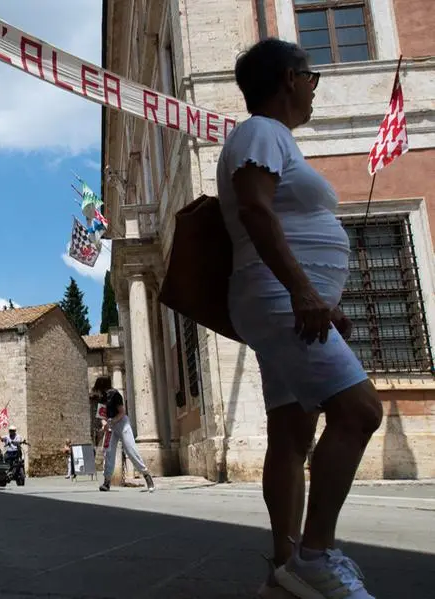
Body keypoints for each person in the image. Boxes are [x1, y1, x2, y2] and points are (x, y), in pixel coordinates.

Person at [219, 39, 383, 599]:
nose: (315, 89)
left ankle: (284, 569)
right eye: (313, 77)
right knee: (359, 412)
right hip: (279, 301)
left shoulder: (274, 139)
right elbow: (256, 211)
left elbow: (281, 216)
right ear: (291, 78)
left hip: (287, 303)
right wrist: (305, 294)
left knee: (291, 434)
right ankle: (315, 555)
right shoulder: (261, 131)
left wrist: (321, 300)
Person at [92, 376, 154, 492]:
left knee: (130, 449)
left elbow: (122, 412)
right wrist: (104, 423)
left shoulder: (115, 395)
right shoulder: (102, 398)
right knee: (108, 451)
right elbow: (102, 416)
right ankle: (107, 482)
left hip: (121, 422)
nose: (99, 391)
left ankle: (146, 475)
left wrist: (112, 421)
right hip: (111, 425)